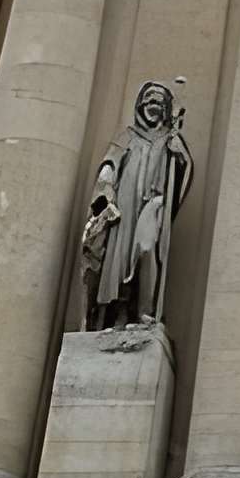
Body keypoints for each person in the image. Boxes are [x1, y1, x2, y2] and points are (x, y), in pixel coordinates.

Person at [82, 78, 194, 330]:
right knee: (120, 259)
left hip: (153, 204)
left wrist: (179, 156)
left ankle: (145, 309)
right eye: (149, 100)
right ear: (141, 105)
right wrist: (106, 185)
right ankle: (120, 312)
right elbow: (110, 163)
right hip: (125, 205)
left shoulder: (170, 140)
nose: (154, 105)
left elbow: (183, 172)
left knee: (146, 248)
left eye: (159, 102)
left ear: (166, 109)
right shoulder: (128, 136)